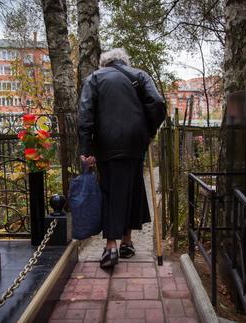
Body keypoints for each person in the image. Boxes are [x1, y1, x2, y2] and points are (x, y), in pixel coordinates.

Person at [77, 48, 166, 269]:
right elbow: (158, 104)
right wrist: (149, 131)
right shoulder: (140, 75)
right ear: (124, 61)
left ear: (103, 63)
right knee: (132, 188)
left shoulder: (95, 78)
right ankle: (127, 242)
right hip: (136, 141)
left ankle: (110, 247)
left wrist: (87, 148)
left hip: (107, 143)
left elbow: (85, 114)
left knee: (110, 191)